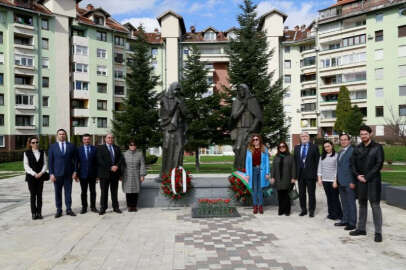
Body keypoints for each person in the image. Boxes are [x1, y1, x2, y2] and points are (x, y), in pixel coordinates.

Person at [350, 125, 384, 242]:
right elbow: (352, 164)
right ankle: (361, 228)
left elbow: (379, 164)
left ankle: (378, 232)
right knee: (362, 204)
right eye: (361, 134)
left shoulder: (378, 147)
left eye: (365, 134)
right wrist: (358, 176)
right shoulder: (357, 148)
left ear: (370, 134)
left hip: (373, 181)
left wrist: (367, 177)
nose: (363, 136)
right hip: (361, 181)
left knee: (375, 206)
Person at [231, 84, 263, 170]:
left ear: (246, 90)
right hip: (240, 130)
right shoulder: (237, 101)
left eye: (241, 90)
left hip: (250, 130)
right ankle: (239, 171)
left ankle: (248, 170)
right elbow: (234, 116)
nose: (240, 92)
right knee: (237, 149)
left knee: (247, 150)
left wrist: (253, 128)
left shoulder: (252, 100)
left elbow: (258, 116)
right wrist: (243, 106)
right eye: (238, 90)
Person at [48, 129, 78, 218]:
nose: (62, 135)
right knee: (58, 193)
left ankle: (68, 209)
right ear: (57, 136)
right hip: (57, 174)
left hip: (68, 174)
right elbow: (50, 161)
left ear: (66, 135)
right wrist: (51, 173)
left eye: (63, 134)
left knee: (68, 192)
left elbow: (76, 160)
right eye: (60, 134)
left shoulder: (71, 146)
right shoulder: (53, 147)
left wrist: (75, 171)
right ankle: (59, 210)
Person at [293, 132, 320, 217]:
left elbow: (317, 162)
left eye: (306, 136)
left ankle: (311, 210)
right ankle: (303, 210)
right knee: (302, 193)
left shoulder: (314, 147)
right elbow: (295, 162)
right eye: (302, 136)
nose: (304, 137)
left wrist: (318, 175)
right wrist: (294, 175)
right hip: (300, 175)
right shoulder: (296, 148)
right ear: (300, 138)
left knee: (311, 193)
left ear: (309, 137)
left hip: (311, 174)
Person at [335, 133, 357, 231]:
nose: (343, 141)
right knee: (344, 202)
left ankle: (352, 223)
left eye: (345, 139)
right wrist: (337, 180)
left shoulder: (353, 151)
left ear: (349, 141)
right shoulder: (340, 152)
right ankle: (345, 220)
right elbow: (338, 167)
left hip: (349, 182)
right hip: (341, 182)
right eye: (341, 139)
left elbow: (355, 168)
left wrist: (353, 181)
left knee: (351, 203)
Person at [96, 133, 123, 215]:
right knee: (104, 192)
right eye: (109, 138)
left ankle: (116, 207)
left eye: (112, 138)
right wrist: (110, 167)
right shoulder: (100, 148)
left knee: (114, 192)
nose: (110, 139)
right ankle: (103, 208)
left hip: (115, 174)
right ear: (105, 139)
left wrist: (117, 166)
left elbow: (120, 159)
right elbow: (100, 160)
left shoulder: (117, 148)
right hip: (104, 174)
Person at [317, 140, 342, 220]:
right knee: (329, 198)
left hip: (333, 181)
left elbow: (337, 169)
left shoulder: (336, 156)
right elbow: (319, 168)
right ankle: (331, 214)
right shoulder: (322, 157)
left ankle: (339, 214)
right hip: (325, 180)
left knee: (335, 198)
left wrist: (335, 180)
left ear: (332, 146)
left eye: (328, 146)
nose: (327, 148)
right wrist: (319, 179)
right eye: (325, 147)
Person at [245, 134, 270, 214]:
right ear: (252, 141)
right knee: (254, 189)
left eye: (257, 139)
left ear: (259, 140)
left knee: (260, 189)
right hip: (252, 171)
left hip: (261, 170)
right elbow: (247, 163)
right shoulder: (249, 150)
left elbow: (267, 162)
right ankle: (255, 206)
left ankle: (260, 206)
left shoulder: (264, 149)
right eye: (254, 140)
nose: (255, 141)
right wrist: (247, 174)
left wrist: (267, 172)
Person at [24, 136, 48, 220]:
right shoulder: (26, 153)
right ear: (30, 144)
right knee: (33, 195)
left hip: (40, 177)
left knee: (39, 195)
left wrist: (41, 173)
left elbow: (45, 164)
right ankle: (33, 213)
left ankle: (39, 213)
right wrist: (34, 174)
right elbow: (26, 165)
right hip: (31, 177)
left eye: (36, 142)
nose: (35, 144)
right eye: (33, 142)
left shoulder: (42, 152)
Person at [271, 142, 296, 216]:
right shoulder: (276, 157)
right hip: (278, 179)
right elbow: (273, 168)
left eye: (283, 146)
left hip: (287, 178)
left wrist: (293, 177)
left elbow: (293, 167)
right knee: (280, 195)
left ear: (286, 147)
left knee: (287, 195)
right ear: (278, 148)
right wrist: (272, 177)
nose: (282, 148)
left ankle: (287, 211)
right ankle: (281, 210)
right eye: (280, 147)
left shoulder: (290, 156)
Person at [121, 140, 146, 212]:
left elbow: (142, 165)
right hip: (127, 175)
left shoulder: (140, 154)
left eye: (134, 145)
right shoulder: (124, 154)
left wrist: (142, 175)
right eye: (131, 145)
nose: (132, 146)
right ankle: (129, 206)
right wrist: (121, 175)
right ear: (129, 146)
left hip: (136, 175)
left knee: (135, 191)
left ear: (136, 146)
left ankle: (134, 206)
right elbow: (122, 165)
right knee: (128, 191)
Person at [76, 134, 98, 214]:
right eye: (85, 139)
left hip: (92, 174)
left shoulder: (95, 149)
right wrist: (76, 174)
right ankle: (84, 207)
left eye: (88, 139)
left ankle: (93, 207)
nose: (87, 141)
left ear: (90, 140)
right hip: (82, 174)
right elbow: (76, 162)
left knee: (93, 191)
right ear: (83, 140)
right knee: (83, 192)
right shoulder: (78, 149)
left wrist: (97, 175)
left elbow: (97, 162)